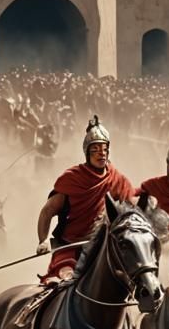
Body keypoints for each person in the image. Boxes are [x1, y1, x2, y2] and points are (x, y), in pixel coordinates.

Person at [35, 120, 136, 284]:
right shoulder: (72, 178)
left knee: (129, 278)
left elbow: (132, 206)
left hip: (102, 247)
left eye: (104, 149)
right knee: (65, 280)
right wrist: (43, 240)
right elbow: (47, 211)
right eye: (95, 150)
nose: (101, 153)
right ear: (87, 153)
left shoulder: (116, 178)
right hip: (70, 248)